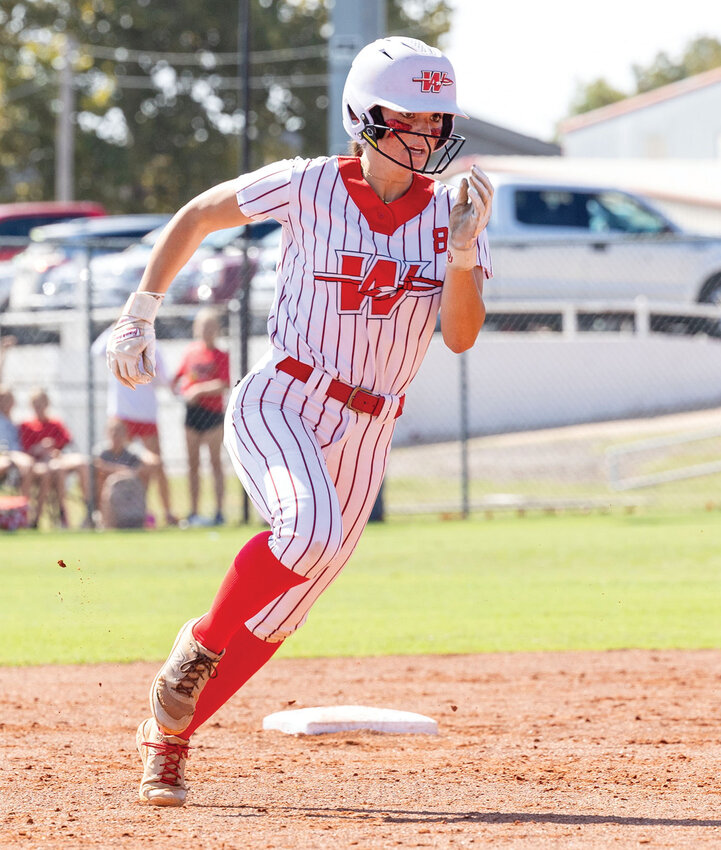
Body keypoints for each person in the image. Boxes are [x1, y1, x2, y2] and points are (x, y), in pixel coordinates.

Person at [107, 35, 493, 807]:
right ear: (364, 114)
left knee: (283, 612)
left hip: (368, 430)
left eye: (433, 118)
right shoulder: (309, 183)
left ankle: (167, 740)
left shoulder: (454, 212)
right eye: (406, 116)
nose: (424, 132)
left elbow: (458, 335)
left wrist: (460, 251)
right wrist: (140, 311)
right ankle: (198, 647)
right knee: (307, 532)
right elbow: (198, 214)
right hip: (284, 396)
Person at [92, 326, 177, 526]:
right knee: (114, 463)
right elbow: (96, 350)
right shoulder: (116, 340)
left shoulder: (154, 345)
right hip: (122, 414)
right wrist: (118, 327)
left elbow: (163, 379)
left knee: (155, 465)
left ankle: (166, 512)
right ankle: (107, 515)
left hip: (146, 414)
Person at [171, 308, 230, 527]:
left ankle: (219, 511)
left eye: (211, 327)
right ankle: (193, 512)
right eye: (203, 326)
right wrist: (182, 392)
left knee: (215, 463)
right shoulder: (190, 352)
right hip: (193, 414)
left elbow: (223, 384)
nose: (207, 331)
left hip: (213, 414)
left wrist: (199, 391)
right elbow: (178, 378)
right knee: (192, 464)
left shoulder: (222, 355)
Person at [19, 388, 92, 528]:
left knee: (81, 463)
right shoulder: (26, 425)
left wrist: (53, 447)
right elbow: (25, 449)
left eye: (42, 403)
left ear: (47, 404)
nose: (39, 407)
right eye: (36, 404)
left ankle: (89, 508)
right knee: (55, 469)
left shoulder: (55, 423)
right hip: (39, 463)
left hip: (57, 459)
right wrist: (39, 448)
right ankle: (61, 512)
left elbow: (66, 442)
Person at [94, 417, 161, 528]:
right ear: (107, 433)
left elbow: (154, 461)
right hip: (107, 487)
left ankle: (140, 514)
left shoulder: (132, 449)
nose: (116, 435)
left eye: (119, 432)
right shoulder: (102, 450)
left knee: (144, 473)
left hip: (130, 486)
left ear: (125, 434)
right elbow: (97, 465)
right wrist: (120, 472)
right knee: (102, 478)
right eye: (113, 432)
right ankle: (103, 519)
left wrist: (134, 471)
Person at [0, 385, 47, 527]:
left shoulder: (14, 424)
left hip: (16, 458)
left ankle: (24, 513)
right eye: (3, 400)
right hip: (5, 455)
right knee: (19, 464)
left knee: (38, 470)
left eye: (9, 400)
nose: (7, 404)